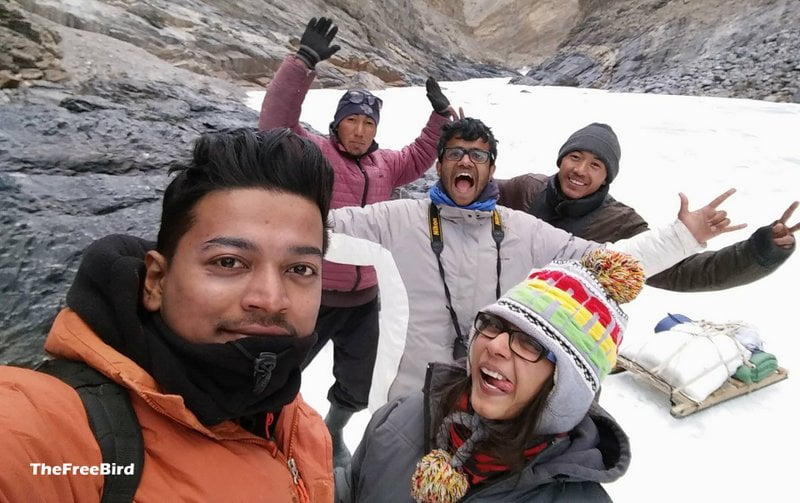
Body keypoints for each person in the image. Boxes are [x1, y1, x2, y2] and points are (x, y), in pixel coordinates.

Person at [0, 128, 336, 502]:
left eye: (300, 269)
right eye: (228, 262)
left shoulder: (296, 420)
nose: (271, 300)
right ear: (156, 281)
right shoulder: (47, 430)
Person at [327, 117, 743, 406]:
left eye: (478, 155)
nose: (466, 161)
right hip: (407, 398)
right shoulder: (396, 220)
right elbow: (319, 230)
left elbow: (605, 263)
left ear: (492, 169)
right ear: (439, 165)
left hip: (497, 397)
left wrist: (681, 236)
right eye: (455, 153)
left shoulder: (522, 230)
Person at [259, 16, 459, 466]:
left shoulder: (385, 165)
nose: (360, 130)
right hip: (312, 292)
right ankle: (265, 429)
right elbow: (275, 122)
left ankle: (333, 431)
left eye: (368, 122)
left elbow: (420, 155)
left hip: (365, 297)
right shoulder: (311, 153)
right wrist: (302, 62)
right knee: (282, 369)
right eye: (351, 120)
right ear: (337, 123)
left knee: (359, 379)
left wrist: (440, 117)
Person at [336, 249, 645, 502]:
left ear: (567, 388)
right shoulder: (403, 415)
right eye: (495, 325)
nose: (495, 345)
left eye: (530, 343)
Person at [496, 122, 799, 291]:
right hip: (505, 305)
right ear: (561, 160)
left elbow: (682, 272)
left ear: (606, 178)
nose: (580, 170)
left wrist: (760, 251)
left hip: (567, 323)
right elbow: (477, 191)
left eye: (596, 165)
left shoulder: (618, 221)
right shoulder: (527, 189)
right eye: (575, 157)